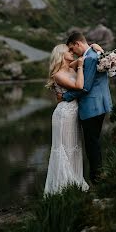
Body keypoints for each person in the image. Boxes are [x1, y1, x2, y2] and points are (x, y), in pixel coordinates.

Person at [44, 41, 104, 195]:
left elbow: (89, 56)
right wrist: (79, 67)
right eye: (68, 51)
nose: (72, 52)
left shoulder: (70, 67)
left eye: (72, 50)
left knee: (74, 149)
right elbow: (79, 86)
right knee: (63, 149)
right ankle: (61, 186)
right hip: (64, 115)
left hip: (75, 113)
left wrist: (95, 48)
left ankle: (74, 183)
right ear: (61, 54)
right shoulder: (57, 74)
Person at [61, 31, 112, 184]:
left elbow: (85, 87)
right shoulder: (96, 53)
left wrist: (64, 97)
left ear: (77, 43)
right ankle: (100, 177)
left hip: (91, 107)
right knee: (94, 143)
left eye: (71, 49)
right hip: (101, 104)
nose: (72, 52)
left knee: (92, 146)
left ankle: (97, 180)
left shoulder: (90, 58)